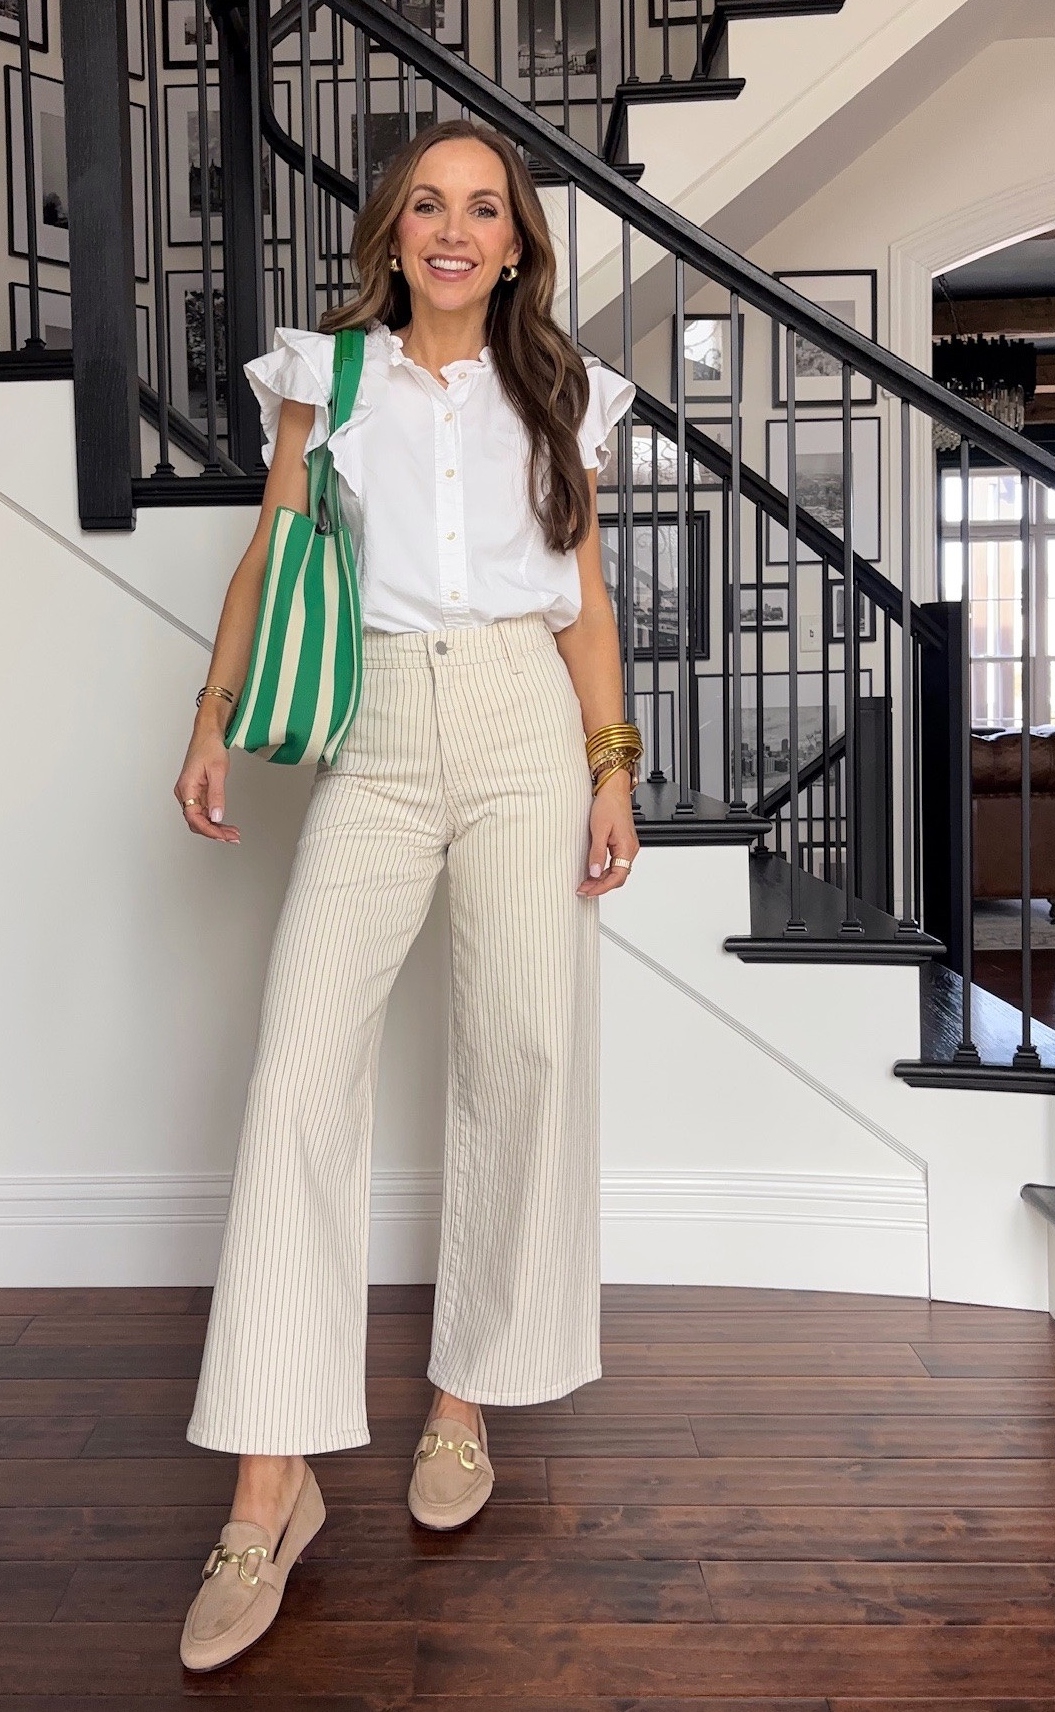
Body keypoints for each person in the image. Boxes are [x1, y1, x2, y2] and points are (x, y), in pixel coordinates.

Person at [172, 118, 639, 1672]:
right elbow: (267, 553)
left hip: (519, 721)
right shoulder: (332, 375)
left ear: (515, 244)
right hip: (372, 730)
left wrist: (610, 770)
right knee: (297, 1077)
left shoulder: (556, 391)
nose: (452, 229)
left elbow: (580, 596)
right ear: (391, 232)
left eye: (481, 209)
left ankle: (462, 1403)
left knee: (518, 1059)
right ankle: (270, 1481)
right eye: (426, 205)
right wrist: (209, 719)